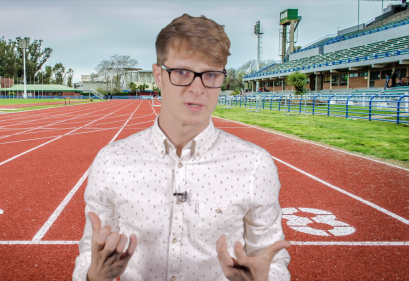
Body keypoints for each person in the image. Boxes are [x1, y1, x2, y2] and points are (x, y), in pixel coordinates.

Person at [74, 14, 291, 281]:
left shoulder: (256, 164)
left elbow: (273, 260)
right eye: (182, 73)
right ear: (158, 76)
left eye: (211, 74)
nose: (198, 88)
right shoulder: (111, 162)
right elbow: (89, 255)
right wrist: (93, 277)